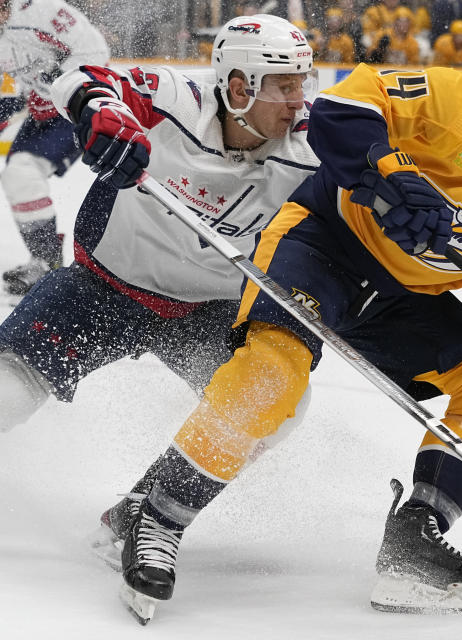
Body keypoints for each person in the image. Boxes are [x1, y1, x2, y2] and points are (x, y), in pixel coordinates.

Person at [114, 26, 462, 622]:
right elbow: (344, 107)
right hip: (321, 244)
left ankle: (415, 541)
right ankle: (156, 515)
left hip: (403, 296)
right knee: (273, 372)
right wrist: (392, 178)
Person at [0, 12, 321, 558]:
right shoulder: (178, 97)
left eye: (303, 82)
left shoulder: (313, 147)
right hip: (103, 291)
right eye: (284, 86)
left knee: (281, 406)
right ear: (239, 86)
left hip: (208, 311)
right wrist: (104, 114)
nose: (299, 101)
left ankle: (144, 506)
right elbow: (83, 80)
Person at [0, 0, 108, 297]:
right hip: (41, 112)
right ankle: (43, 259)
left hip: (76, 106)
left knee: (23, 172)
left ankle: (48, 262)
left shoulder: (43, 11)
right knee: (17, 178)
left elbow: (95, 51)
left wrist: (63, 86)